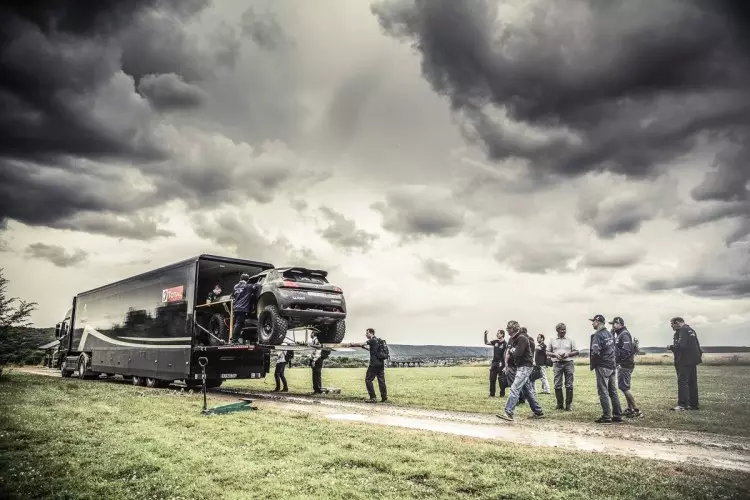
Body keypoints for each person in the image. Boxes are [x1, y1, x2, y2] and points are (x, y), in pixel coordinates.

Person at [497, 320, 544, 421]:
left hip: (525, 367)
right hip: (521, 367)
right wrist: (512, 351)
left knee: (515, 388)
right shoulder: (514, 339)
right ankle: (538, 412)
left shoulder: (521, 338)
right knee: (527, 391)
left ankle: (508, 412)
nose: (507, 331)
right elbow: (514, 352)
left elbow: (518, 353)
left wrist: (512, 350)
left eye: (508, 329)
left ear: (513, 329)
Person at [589, 314, 623, 424]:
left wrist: (594, 364)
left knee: (603, 391)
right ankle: (617, 415)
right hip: (612, 365)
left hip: (602, 365)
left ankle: (607, 416)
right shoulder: (610, 333)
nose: (592, 323)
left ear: (598, 322)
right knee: (613, 391)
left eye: (593, 321)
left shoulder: (597, 335)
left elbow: (595, 352)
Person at [667, 317, 703, 411]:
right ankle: (694, 404)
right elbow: (698, 346)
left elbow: (681, 345)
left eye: (672, 324)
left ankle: (682, 405)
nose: (671, 326)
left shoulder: (683, 330)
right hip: (693, 360)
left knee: (682, 382)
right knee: (692, 382)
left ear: (678, 322)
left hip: (684, 360)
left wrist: (671, 347)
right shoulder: (691, 330)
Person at [610, 317, 641, 418]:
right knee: (625, 386)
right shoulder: (620, 334)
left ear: (619, 323)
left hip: (625, 364)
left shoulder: (624, 334)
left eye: (613, 324)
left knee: (624, 387)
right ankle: (630, 409)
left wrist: (620, 362)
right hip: (624, 364)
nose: (612, 326)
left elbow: (626, 350)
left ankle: (636, 410)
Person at [547, 322, 578, 410]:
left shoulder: (571, 339)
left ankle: (568, 405)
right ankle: (559, 405)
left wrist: (568, 354)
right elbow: (547, 352)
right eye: (561, 329)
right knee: (557, 384)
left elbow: (576, 351)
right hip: (557, 363)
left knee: (569, 384)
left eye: (564, 329)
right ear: (557, 330)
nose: (563, 331)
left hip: (569, 363)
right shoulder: (552, 340)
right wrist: (556, 355)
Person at [352, 328, 388, 403]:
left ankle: (373, 398)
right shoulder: (379, 341)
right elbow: (373, 350)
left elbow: (361, 344)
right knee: (381, 381)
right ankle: (384, 397)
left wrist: (352, 344)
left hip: (373, 364)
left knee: (368, 380)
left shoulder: (372, 340)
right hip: (381, 364)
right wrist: (364, 348)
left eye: (367, 333)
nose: (366, 334)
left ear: (371, 333)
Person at [230, 274, 257, 344]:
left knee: (238, 324)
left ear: (240, 279)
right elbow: (256, 287)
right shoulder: (248, 286)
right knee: (239, 323)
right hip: (242, 308)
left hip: (236, 307)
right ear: (247, 280)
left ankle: (235, 338)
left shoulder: (235, 286)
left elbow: (232, 296)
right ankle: (234, 340)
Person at [484, 329, 508, 397]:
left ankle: (502, 394)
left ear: (502, 334)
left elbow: (506, 355)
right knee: (492, 379)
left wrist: (505, 365)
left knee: (501, 380)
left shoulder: (505, 344)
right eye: (497, 333)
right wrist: (485, 335)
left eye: (498, 333)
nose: (497, 335)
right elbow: (486, 342)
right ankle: (492, 394)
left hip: (501, 363)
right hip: (494, 362)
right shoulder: (496, 342)